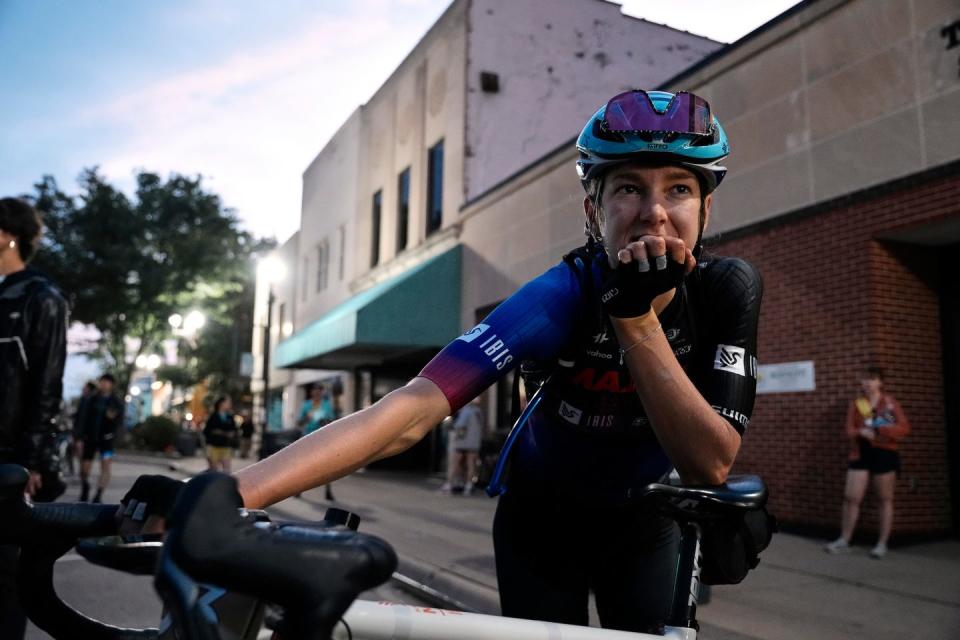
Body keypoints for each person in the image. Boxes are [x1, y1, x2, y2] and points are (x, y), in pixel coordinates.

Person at [124, 90, 761, 632]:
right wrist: (223, 494)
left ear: (707, 209)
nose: (654, 211)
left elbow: (708, 460)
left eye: (679, 187)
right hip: (543, 522)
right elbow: (410, 409)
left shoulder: (726, 290)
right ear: (593, 208)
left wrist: (634, 318)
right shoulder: (561, 295)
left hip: (649, 522)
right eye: (628, 187)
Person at [0, 196, 68, 639]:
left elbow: (47, 386)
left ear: (7, 236)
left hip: (8, 461)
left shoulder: (41, 298)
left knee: (5, 584)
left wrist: (33, 462)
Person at [825, 366, 910, 559]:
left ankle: (882, 543)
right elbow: (849, 430)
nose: (867, 383)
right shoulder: (857, 404)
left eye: (871, 379)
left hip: (884, 453)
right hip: (860, 453)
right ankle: (845, 539)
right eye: (864, 379)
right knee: (851, 497)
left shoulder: (889, 403)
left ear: (880, 382)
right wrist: (860, 432)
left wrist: (881, 431)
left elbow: (904, 428)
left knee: (884, 499)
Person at [78, 373, 124, 503]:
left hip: (107, 440)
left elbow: (120, 423)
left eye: (107, 382)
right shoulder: (91, 399)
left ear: (112, 385)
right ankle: (85, 486)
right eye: (102, 381)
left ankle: (98, 494)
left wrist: (113, 422)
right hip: (90, 438)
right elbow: (82, 418)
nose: (104, 384)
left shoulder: (116, 402)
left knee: (106, 467)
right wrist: (79, 437)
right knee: (84, 468)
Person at [297, 384, 336, 500]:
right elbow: (299, 423)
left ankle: (328, 491)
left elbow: (332, 422)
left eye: (319, 391)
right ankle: (298, 489)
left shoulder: (327, 405)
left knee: (327, 465)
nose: (317, 393)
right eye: (315, 391)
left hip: (323, 439)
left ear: (322, 392)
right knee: (303, 465)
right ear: (311, 393)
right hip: (308, 438)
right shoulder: (306, 405)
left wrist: (325, 421)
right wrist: (306, 419)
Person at [440, 398, 483, 495]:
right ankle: (468, 486)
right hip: (474, 443)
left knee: (455, 463)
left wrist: (453, 428)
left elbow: (460, 425)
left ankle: (449, 485)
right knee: (471, 465)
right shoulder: (478, 412)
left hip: (462, 442)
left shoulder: (466, 411)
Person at [204, 396, 239, 472]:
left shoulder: (230, 416)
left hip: (225, 445)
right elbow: (207, 430)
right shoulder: (213, 416)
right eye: (228, 402)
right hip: (214, 445)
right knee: (214, 470)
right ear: (221, 403)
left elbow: (234, 429)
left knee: (227, 469)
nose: (230, 404)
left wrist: (231, 433)